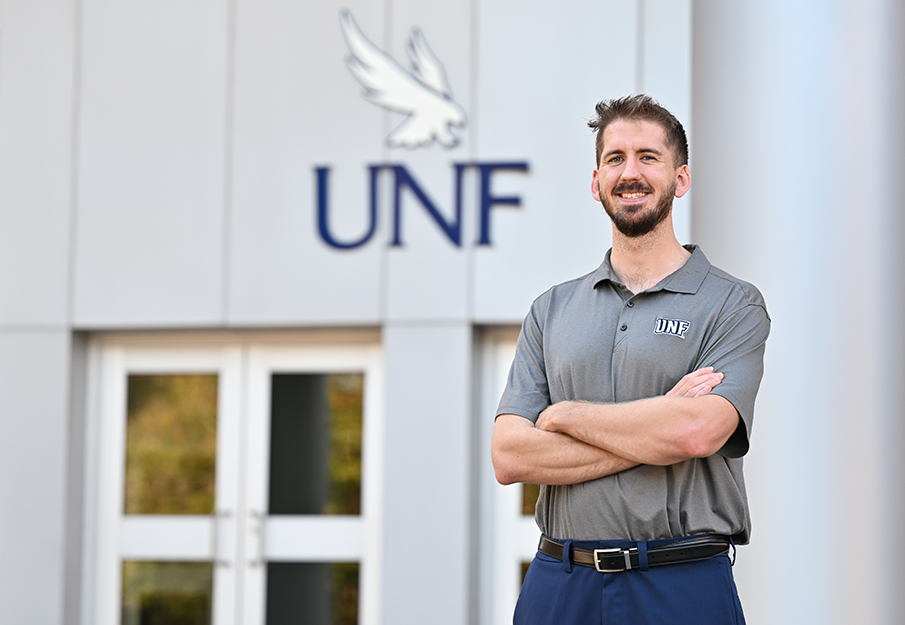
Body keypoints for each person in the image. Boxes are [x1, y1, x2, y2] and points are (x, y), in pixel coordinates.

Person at [490, 94, 769, 625]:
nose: (630, 172)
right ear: (595, 181)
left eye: (648, 156)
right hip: (559, 582)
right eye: (615, 158)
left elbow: (695, 435)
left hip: (681, 581)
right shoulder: (551, 309)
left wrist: (567, 416)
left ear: (680, 179)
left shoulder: (733, 303)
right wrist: (658, 422)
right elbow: (511, 457)